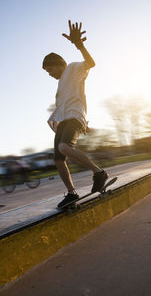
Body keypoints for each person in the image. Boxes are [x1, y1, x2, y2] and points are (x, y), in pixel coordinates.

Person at [43, 20, 108, 208]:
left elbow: (91, 63)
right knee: (58, 159)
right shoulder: (60, 85)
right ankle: (71, 193)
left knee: (64, 148)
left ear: (58, 64)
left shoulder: (72, 69)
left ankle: (98, 172)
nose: (50, 74)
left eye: (50, 69)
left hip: (74, 118)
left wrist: (80, 45)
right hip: (64, 122)